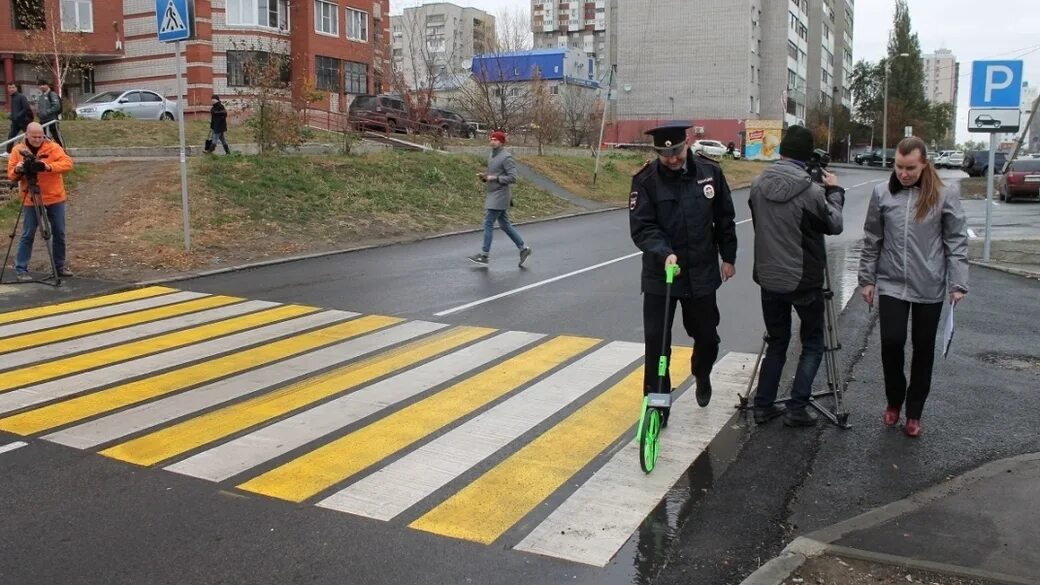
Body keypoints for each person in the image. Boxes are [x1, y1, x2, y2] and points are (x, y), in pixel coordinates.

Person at [858, 136, 968, 438]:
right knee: (891, 342)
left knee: (923, 348)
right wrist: (867, 279)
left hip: (929, 286)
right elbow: (872, 239)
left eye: (910, 168)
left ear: (924, 165)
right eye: (899, 167)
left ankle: (914, 411)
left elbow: (956, 240)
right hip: (893, 283)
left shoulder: (943, 194)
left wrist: (957, 283)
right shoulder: (882, 193)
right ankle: (895, 400)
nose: (903, 174)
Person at [629, 122, 737, 407]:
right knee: (657, 346)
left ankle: (702, 372)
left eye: (677, 151)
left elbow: (725, 217)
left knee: (707, 337)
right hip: (660, 275)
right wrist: (664, 252)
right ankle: (657, 406)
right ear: (657, 153)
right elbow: (642, 227)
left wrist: (729, 257)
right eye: (665, 155)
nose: (673, 159)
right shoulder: (645, 180)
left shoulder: (710, 173)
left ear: (687, 143)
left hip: (701, 273)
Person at [748, 125, 846, 427]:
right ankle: (797, 407)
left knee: (777, 341)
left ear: (782, 150)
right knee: (813, 342)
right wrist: (835, 192)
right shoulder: (811, 191)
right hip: (803, 279)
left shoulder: (757, 184)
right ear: (806, 155)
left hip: (769, 277)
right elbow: (834, 225)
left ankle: (763, 405)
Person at [7, 122, 75, 281]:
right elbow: (11, 175)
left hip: (55, 197)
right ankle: (21, 269)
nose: (38, 140)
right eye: (34, 137)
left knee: (59, 232)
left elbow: (68, 163)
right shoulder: (18, 150)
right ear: (27, 136)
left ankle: (59, 266)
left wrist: (47, 166)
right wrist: (18, 169)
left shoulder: (53, 147)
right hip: (31, 197)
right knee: (28, 233)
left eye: (40, 136)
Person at [468, 130, 532, 267]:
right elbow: (494, 174)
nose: (492, 141)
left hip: (501, 195)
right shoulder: (491, 154)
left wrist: (495, 178)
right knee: (504, 224)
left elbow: (513, 178)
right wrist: (485, 177)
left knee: (488, 222)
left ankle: (484, 255)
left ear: (501, 142)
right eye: (491, 139)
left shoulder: (506, 157)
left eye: (495, 140)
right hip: (493, 193)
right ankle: (523, 249)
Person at [6, 83, 33, 156]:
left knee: (29, 136)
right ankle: (8, 152)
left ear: (16, 88)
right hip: (15, 122)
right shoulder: (12, 97)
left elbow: (26, 108)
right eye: (9, 88)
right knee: (11, 136)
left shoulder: (21, 96)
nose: (11, 89)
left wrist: (18, 115)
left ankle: (34, 150)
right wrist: (12, 116)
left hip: (24, 121)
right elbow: (16, 109)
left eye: (13, 87)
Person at [36, 80, 64, 149]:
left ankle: (63, 150)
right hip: (43, 120)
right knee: (44, 138)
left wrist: (47, 112)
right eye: (40, 85)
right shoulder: (41, 96)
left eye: (43, 84)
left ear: (47, 85)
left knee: (56, 136)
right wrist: (39, 113)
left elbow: (56, 106)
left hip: (52, 120)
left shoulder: (52, 94)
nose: (41, 86)